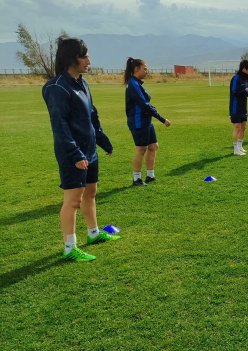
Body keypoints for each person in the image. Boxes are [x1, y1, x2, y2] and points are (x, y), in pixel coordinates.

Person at [42, 36, 120, 262]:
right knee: (73, 201)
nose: (89, 60)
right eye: (84, 55)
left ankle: (94, 234)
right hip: (72, 154)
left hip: (89, 151)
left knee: (91, 193)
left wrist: (102, 139)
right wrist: (75, 153)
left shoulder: (82, 83)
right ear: (71, 58)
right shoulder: (56, 87)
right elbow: (60, 126)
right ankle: (69, 248)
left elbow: (92, 116)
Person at [124, 58, 172, 184]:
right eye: (144, 68)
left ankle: (150, 176)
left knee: (153, 146)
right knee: (141, 149)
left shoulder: (137, 83)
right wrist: (162, 119)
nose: (147, 71)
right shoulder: (133, 84)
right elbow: (144, 105)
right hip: (138, 121)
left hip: (146, 120)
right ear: (136, 69)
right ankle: (136, 178)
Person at [229, 59, 248, 155]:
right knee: (237, 127)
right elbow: (235, 92)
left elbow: (245, 94)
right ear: (244, 68)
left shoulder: (246, 79)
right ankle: (235, 149)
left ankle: (240, 146)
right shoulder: (236, 78)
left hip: (244, 106)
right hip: (235, 106)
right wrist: (246, 90)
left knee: (243, 127)